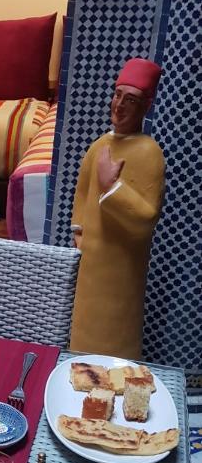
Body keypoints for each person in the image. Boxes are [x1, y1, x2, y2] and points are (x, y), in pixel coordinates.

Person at [69, 58, 165, 360]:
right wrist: (79, 231)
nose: (119, 105)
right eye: (117, 95)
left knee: (116, 332)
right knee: (84, 328)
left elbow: (146, 218)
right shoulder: (99, 147)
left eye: (131, 100)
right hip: (91, 262)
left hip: (123, 266)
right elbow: (82, 193)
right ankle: (79, 366)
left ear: (146, 106)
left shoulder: (149, 153)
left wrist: (112, 187)